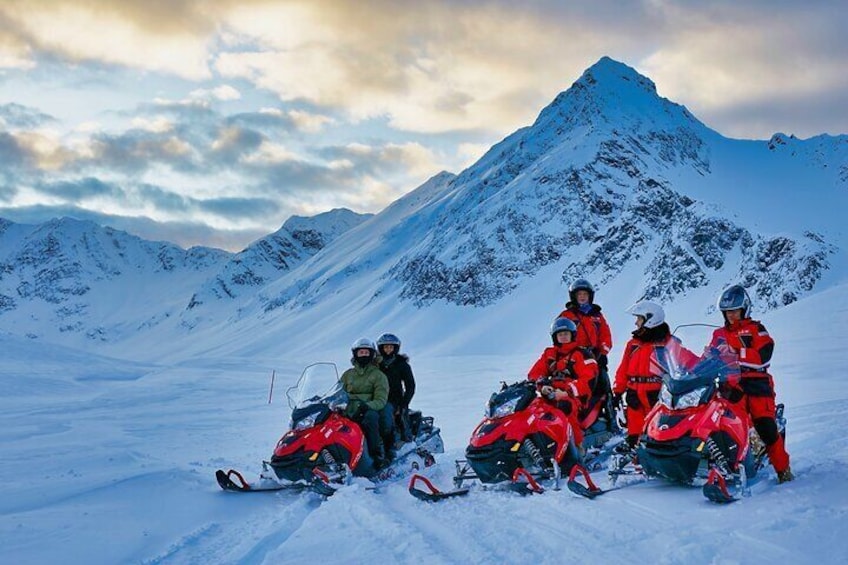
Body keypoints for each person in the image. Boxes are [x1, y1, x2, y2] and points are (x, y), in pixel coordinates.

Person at [707, 285, 793, 483]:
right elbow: (710, 356)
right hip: (730, 386)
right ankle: (724, 466)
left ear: (744, 309)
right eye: (727, 312)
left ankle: (783, 470)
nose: (731, 316)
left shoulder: (756, 329)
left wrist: (734, 354)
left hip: (756, 384)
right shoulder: (719, 334)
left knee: (766, 426)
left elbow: (764, 356)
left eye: (735, 311)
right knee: (722, 425)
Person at [613, 300, 699, 451]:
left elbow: (690, 360)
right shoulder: (633, 344)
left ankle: (657, 462)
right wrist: (618, 391)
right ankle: (637, 460)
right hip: (634, 394)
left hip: (657, 395)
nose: (636, 323)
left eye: (639, 318)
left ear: (650, 319)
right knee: (635, 432)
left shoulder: (667, 343)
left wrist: (707, 365)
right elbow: (623, 369)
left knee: (658, 431)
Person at [528, 317, 599, 447]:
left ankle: (576, 448)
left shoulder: (582, 354)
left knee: (565, 408)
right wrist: (542, 385)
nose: (564, 337)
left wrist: (567, 392)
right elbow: (535, 373)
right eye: (560, 334)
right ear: (555, 337)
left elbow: (588, 380)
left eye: (566, 334)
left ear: (573, 335)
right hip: (552, 393)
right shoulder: (550, 354)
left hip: (575, 396)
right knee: (533, 409)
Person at [341, 338, 391, 469]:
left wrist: (367, 406)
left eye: (366, 352)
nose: (363, 355)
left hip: (367, 409)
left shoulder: (378, 375)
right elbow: (338, 391)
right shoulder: (348, 374)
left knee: (370, 419)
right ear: (355, 354)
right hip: (348, 409)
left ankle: (376, 456)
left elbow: (381, 399)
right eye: (361, 352)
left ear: (371, 354)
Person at [558, 279, 613, 372]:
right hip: (573, 357)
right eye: (579, 294)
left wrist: (602, 352)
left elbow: (605, 334)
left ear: (590, 296)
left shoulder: (597, 315)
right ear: (574, 296)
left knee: (603, 382)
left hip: (595, 356)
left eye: (585, 294)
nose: (582, 297)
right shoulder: (567, 315)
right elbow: (558, 334)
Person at [376, 332, 416, 447]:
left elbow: (410, 386)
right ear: (381, 348)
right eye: (385, 347)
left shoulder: (401, 364)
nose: (388, 350)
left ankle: (398, 442)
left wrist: (403, 403)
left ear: (395, 348)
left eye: (391, 347)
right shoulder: (375, 364)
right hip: (376, 398)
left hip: (395, 400)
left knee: (391, 418)